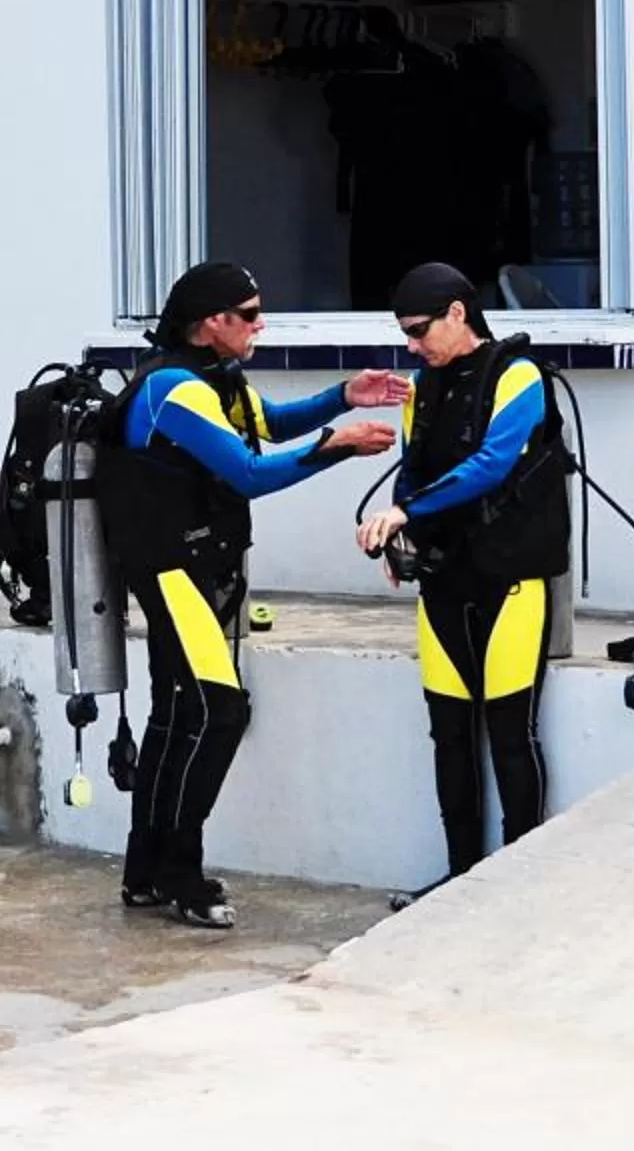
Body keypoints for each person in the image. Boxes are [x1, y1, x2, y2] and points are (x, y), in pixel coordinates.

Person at [100, 261, 403, 929]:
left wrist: (344, 396)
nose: (262, 324)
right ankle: (180, 873)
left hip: (198, 569)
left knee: (177, 716)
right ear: (214, 323)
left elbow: (267, 422)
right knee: (220, 711)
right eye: (251, 313)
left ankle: (145, 872)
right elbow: (248, 473)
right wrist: (336, 447)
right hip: (172, 573)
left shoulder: (213, 380)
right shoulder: (172, 391)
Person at [355, 262, 571, 906]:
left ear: (458, 312)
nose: (413, 345)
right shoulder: (426, 386)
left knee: (510, 732)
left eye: (420, 330)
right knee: (449, 733)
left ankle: (518, 881)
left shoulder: (520, 376)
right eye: (404, 334)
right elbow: (411, 470)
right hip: (446, 581)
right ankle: (460, 878)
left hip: (510, 582)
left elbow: (491, 464)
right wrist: (399, 535)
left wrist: (406, 512)